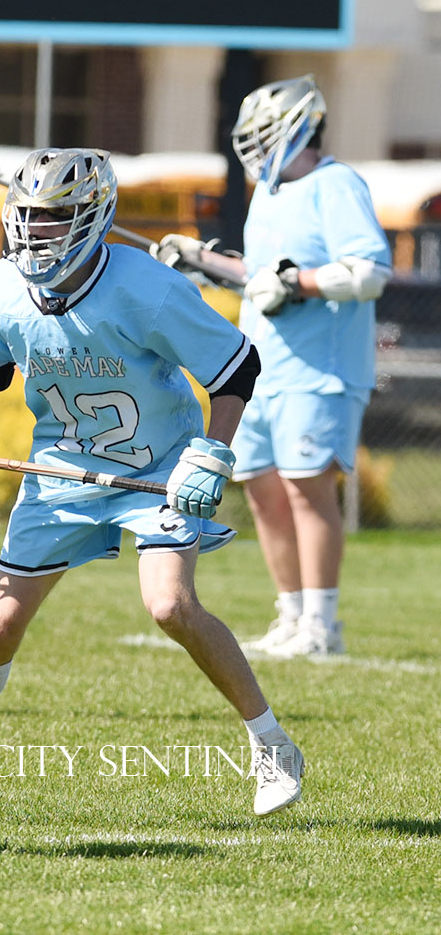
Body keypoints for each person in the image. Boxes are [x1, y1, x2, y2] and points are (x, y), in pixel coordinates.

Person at [0, 147, 303, 824]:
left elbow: (237, 366)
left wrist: (210, 453)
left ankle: (273, 745)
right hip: (61, 468)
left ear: (92, 216)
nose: (36, 231)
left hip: (159, 464)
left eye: (54, 216)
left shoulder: (147, 286)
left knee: (170, 605)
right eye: (28, 215)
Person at [154, 75, 391, 659]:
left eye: (263, 133)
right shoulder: (268, 192)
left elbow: (368, 271)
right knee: (261, 488)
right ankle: (291, 614)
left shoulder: (336, 183)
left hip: (321, 371)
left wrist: (295, 283)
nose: (255, 147)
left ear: (301, 126)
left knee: (307, 489)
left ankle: (322, 625)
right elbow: (259, 276)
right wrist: (202, 260)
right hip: (266, 368)